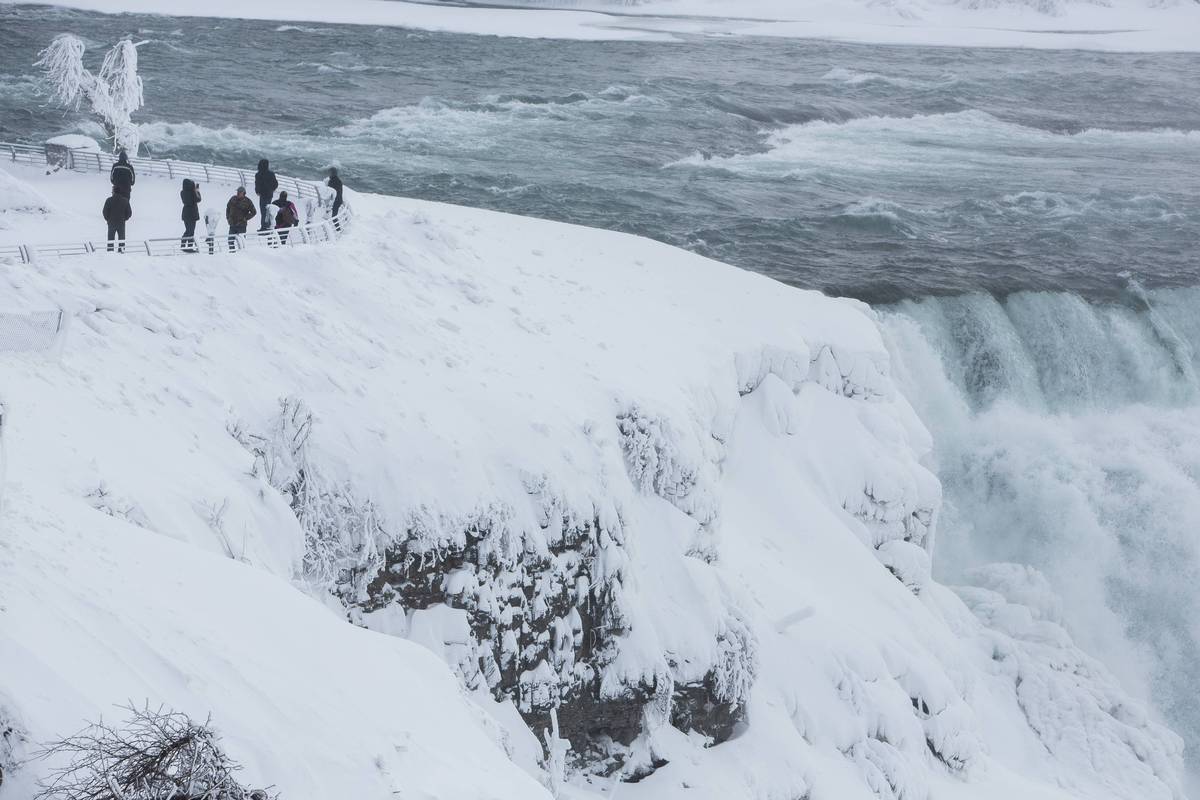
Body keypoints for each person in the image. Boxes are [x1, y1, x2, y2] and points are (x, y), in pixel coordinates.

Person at [226, 187, 257, 252]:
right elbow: (228, 208)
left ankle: (242, 255)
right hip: (232, 224)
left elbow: (254, 212)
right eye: (237, 191)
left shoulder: (248, 201)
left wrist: (245, 218)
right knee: (230, 241)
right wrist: (228, 218)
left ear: (243, 193)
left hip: (241, 225)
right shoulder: (233, 199)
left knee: (241, 242)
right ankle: (232, 253)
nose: (238, 193)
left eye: (240, 192)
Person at [102, 187, 131, 252]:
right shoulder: (125, 200)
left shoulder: (109, 200)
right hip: (121, 223)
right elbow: (129, 213)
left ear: (114, 192)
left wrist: (108, 219)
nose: (111, 192)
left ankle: (110, 253)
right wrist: (124, 219)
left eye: (112, 191)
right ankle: (121, 252)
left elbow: (104, 212)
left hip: (111, 223)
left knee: (110, 240)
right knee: (121, 239)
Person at [254, 158, 278, 231]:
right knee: (268, 211)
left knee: (263, 211)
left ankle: (264, 227)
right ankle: (267, 226)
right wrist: (272, 190)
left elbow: (257, 184)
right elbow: (276, 184)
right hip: (269, 194)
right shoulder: (271, 174)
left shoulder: (258, 174)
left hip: (263, 195)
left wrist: (258, 192)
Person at [180, 179, 201, 252]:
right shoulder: (192, 192)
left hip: (186, 213)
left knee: (188, 230)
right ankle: (188, 247)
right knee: (191, 231)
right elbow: (198, 199)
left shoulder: (182, 192)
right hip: (192, 214)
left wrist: (194, 190)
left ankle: (183, 245)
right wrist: (197, 191)